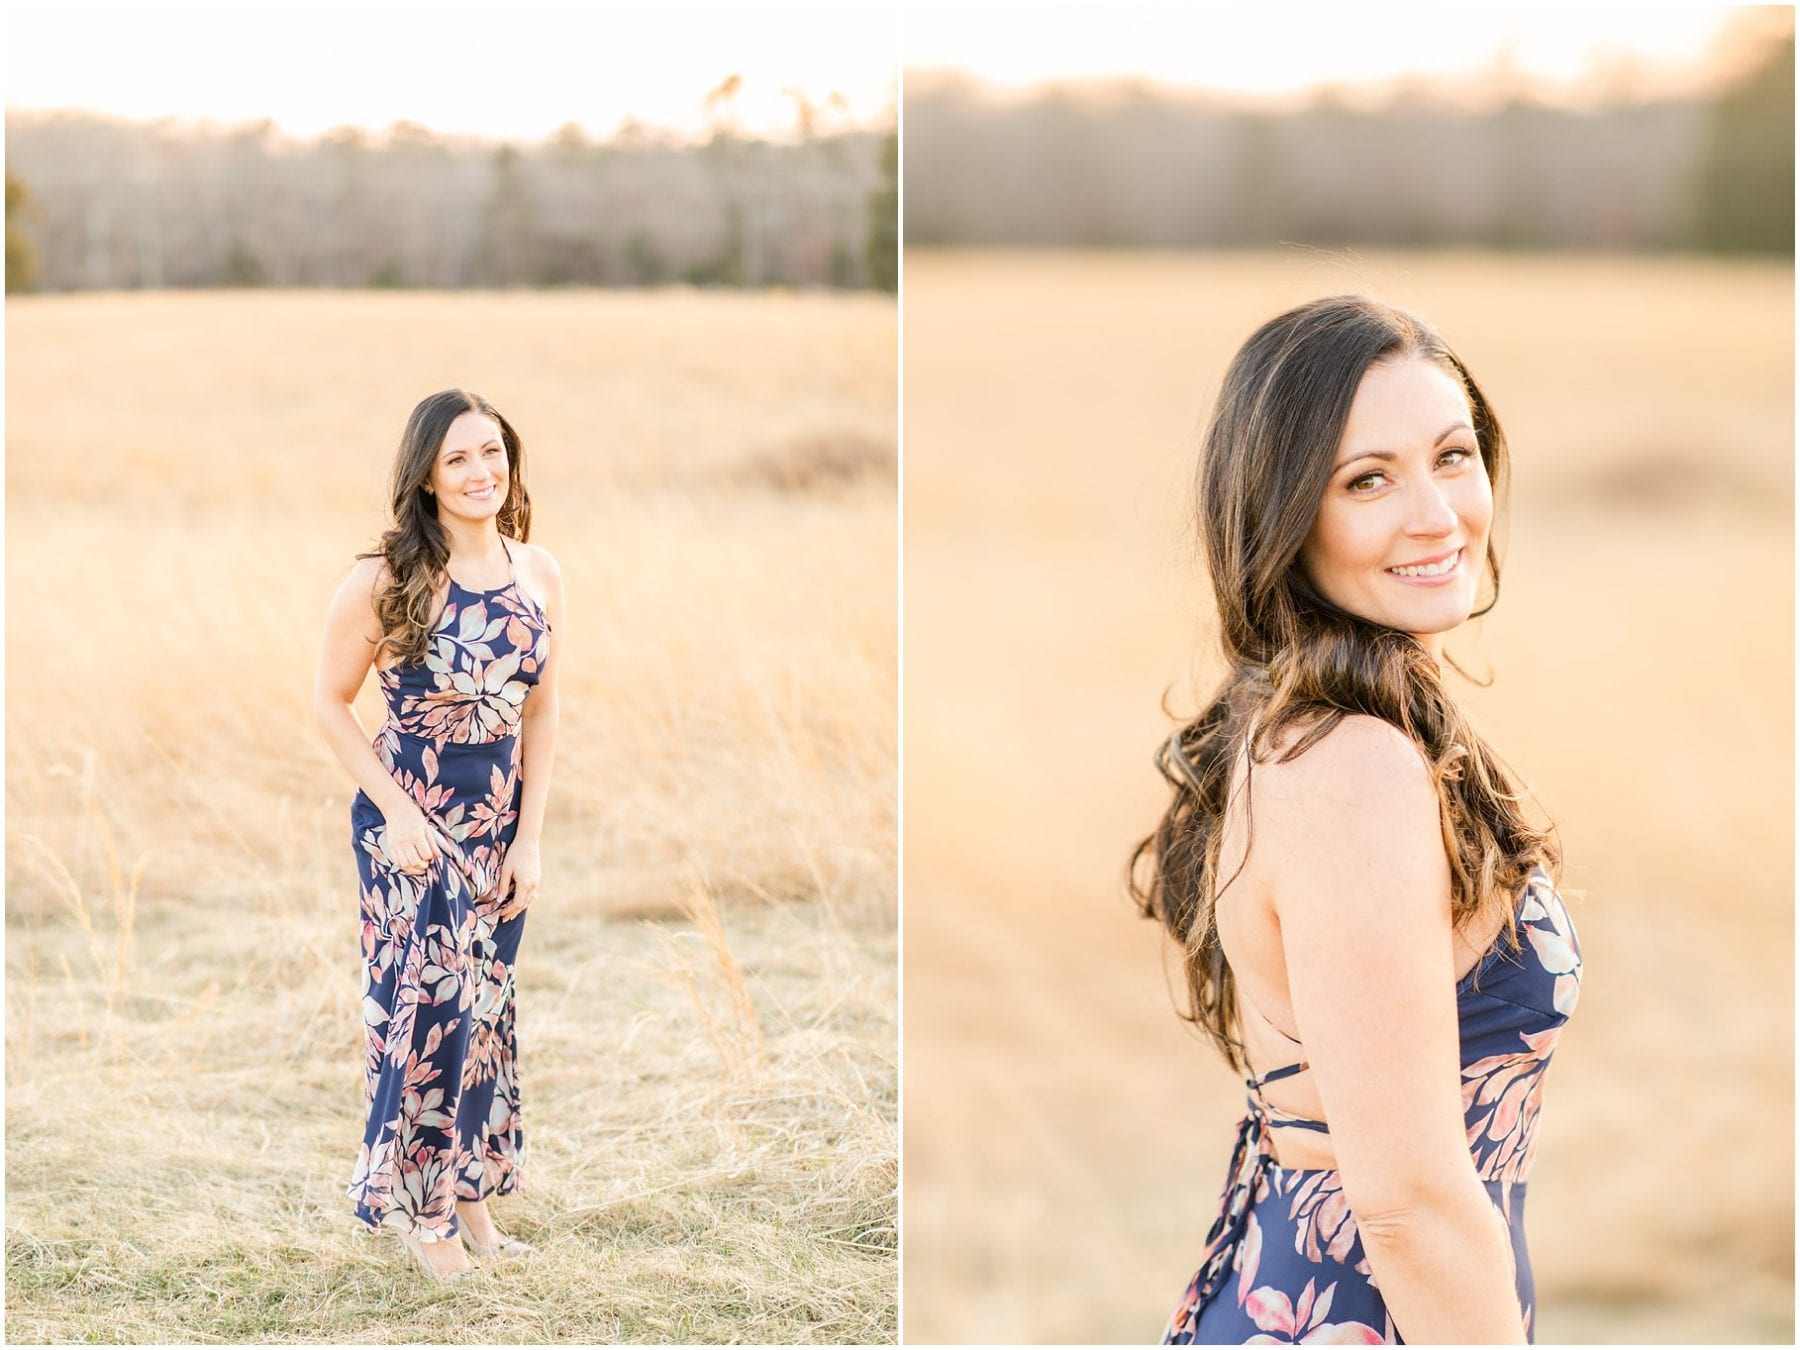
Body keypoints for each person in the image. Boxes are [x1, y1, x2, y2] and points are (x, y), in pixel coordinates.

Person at [1131, 297, 1582, 1343]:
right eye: (1367, 480)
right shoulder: (1349, 764)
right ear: (1285, 513)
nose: (1436, 514)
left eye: (1453, 456)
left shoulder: (1311, 722)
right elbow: (1407, 1206)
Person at [314, 389, 564, 1280]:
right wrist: (398, 809)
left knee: (485, 1012)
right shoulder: (387, 577)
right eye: (457, 458)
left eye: (491, 453)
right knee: (429, 1017)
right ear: (425, 473)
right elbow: (329, 706)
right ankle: (426, 1225)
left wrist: (529, 841)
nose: (479, 473)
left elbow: (540, 713)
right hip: (409, 830)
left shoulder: (539, 573)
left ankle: (474, 1204)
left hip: (497, 828)